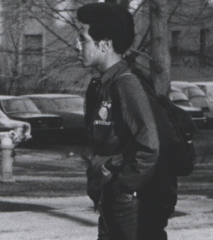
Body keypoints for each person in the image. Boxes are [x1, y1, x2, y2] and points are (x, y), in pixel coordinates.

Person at [77, 3, 178, 240]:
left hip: (132, 202)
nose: (77, 47)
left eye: (83, 40)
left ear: (105, 44)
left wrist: (124, 187)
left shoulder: (126, 84)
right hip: (118, 197)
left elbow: (150, 144)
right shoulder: (106, 84)